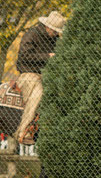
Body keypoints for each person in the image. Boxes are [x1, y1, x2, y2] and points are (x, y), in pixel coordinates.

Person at [14, 11, 65, 145]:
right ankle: (24, 131)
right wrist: (47, 56)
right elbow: (23, 57)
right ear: (47, 26)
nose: (56, 33)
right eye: (55, 31)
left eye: (57, 31)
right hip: (28, 74)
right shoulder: (31, 34)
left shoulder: (55, 39)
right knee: (39, 93)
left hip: (47, 74)